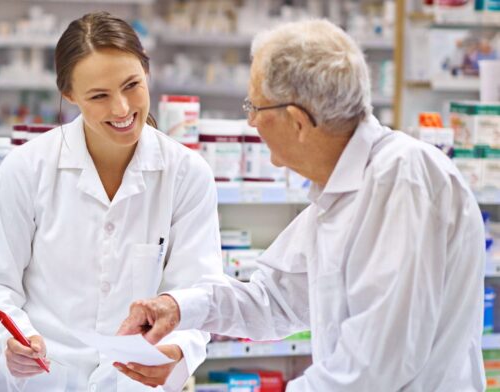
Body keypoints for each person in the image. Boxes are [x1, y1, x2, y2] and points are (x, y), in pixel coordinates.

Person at [117, 19, 486, 390]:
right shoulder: (342, 190)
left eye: (255, 107)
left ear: (296, 121)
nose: (251, 122)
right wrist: (180, 308)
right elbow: (273, 300)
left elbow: (372, 370)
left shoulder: (402, 182)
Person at [0, 11, 223, 391]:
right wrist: (12, 341)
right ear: (69, 95)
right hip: (43, 379)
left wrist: (178, 350)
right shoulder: (26, 169)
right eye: (99, 96)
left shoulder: (187, 174)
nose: (122, 109)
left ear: (148, 73)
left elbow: (197, 292)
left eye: (132, 86)